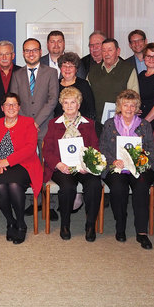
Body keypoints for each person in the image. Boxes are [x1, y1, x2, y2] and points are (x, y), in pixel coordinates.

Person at [99, 90, 154, 249]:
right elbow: (102, 148)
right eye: (126, 105)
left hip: (140, 167)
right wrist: (113, 160)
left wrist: (140, 161)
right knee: (118, 188)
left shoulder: (145, 125)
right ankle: (120, 226)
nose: (129, 108)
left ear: (137, 107)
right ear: (119, 106)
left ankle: (142, 232)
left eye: (133, 105)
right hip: (117, 168)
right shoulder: (110, 123)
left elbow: (152, 149)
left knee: (141, 187)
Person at [42, 87, 100, 241]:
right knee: (67, 187)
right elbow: (47, 150)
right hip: (62, 167)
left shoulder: (89, 124)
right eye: (65, 103)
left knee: (94, 185)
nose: (69, 106)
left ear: (78, 104)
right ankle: (65, 224)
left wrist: (87, 165)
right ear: (61, 105)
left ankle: (90, 224)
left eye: (72, 102)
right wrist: (59, 164)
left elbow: (95, 147)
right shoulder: (54, 124)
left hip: (84, 167)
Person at [0, 93, 43, 244]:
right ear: (2, 108)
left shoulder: (28, 122)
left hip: (23, 164)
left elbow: (30, 148)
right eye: (8, 104)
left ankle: (21, 223)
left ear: (19, 107)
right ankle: (10, 221)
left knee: (14, 185)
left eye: (14, 104)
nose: (11, 107)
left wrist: (7, 161)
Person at [9, 38, 59, 148]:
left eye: (34, 50)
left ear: (41, 52)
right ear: (23, 53)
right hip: (23, 128)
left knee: (45, 163)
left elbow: (53, 99)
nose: (31, 54)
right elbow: (13, 102)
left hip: (45, 127)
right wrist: (27, 124)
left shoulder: (51, 73)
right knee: (25, 163)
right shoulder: (17, 75)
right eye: (27, 50)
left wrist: (35, 123)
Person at [87, 38, 139, 135]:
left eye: (110, 50)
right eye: (104, 50)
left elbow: (134, 97)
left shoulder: (128, 69)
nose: (106, 54)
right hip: (97, 122)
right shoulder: (93, 71)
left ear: (118, 51)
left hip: (121, 123)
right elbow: (86, 95)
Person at [53, 51, 96, 121]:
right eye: (64, 66)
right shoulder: (55, 84)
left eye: (71, 66)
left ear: (76, 69)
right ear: (60, 68)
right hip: (59, 126)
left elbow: (91, 110)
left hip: (80, 126)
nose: (67, 69)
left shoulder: (84, 84)